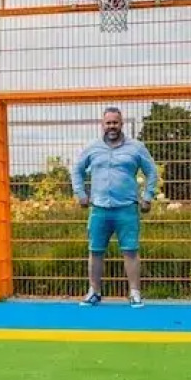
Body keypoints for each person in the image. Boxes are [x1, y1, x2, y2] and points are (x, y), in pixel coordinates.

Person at [69, 107, 158, 307]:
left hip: (127, 208)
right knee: (95, 250)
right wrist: (80, 193)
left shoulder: (136, 148)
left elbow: (151, 172)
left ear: (121, 124)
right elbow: (77, 170)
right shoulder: (92, 148)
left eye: (115, 123)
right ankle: (94, 292)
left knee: (131, 250)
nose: (112, 127)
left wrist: (148, 196)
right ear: (103, 125)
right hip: (99, 209)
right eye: (108, 123)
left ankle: (134, 293)